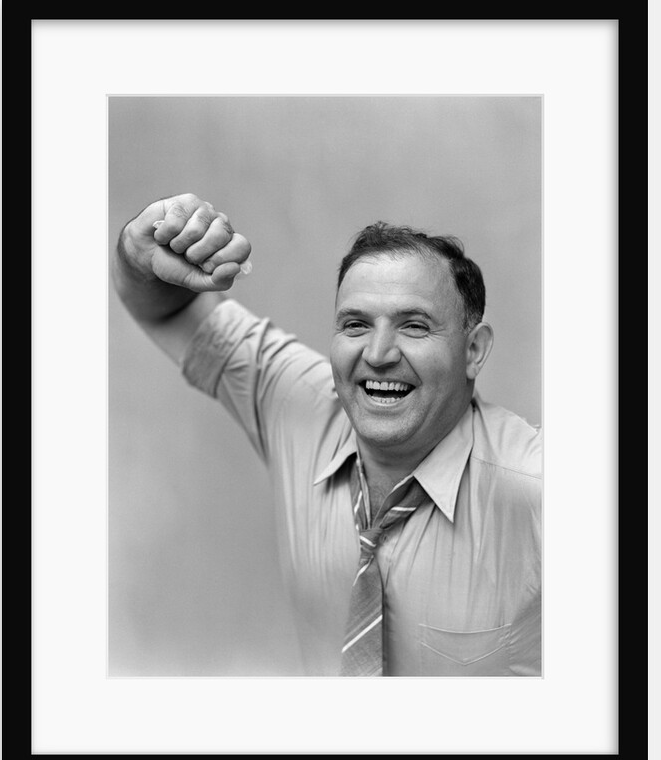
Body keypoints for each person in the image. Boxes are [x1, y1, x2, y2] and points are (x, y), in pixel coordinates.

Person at [113, 192, 541, 677]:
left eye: (414, 326)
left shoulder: (539, 491)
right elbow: (165, 310)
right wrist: (139, 247)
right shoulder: (300, 405)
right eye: (356, 324)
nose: (378, 353)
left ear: (475, 350)